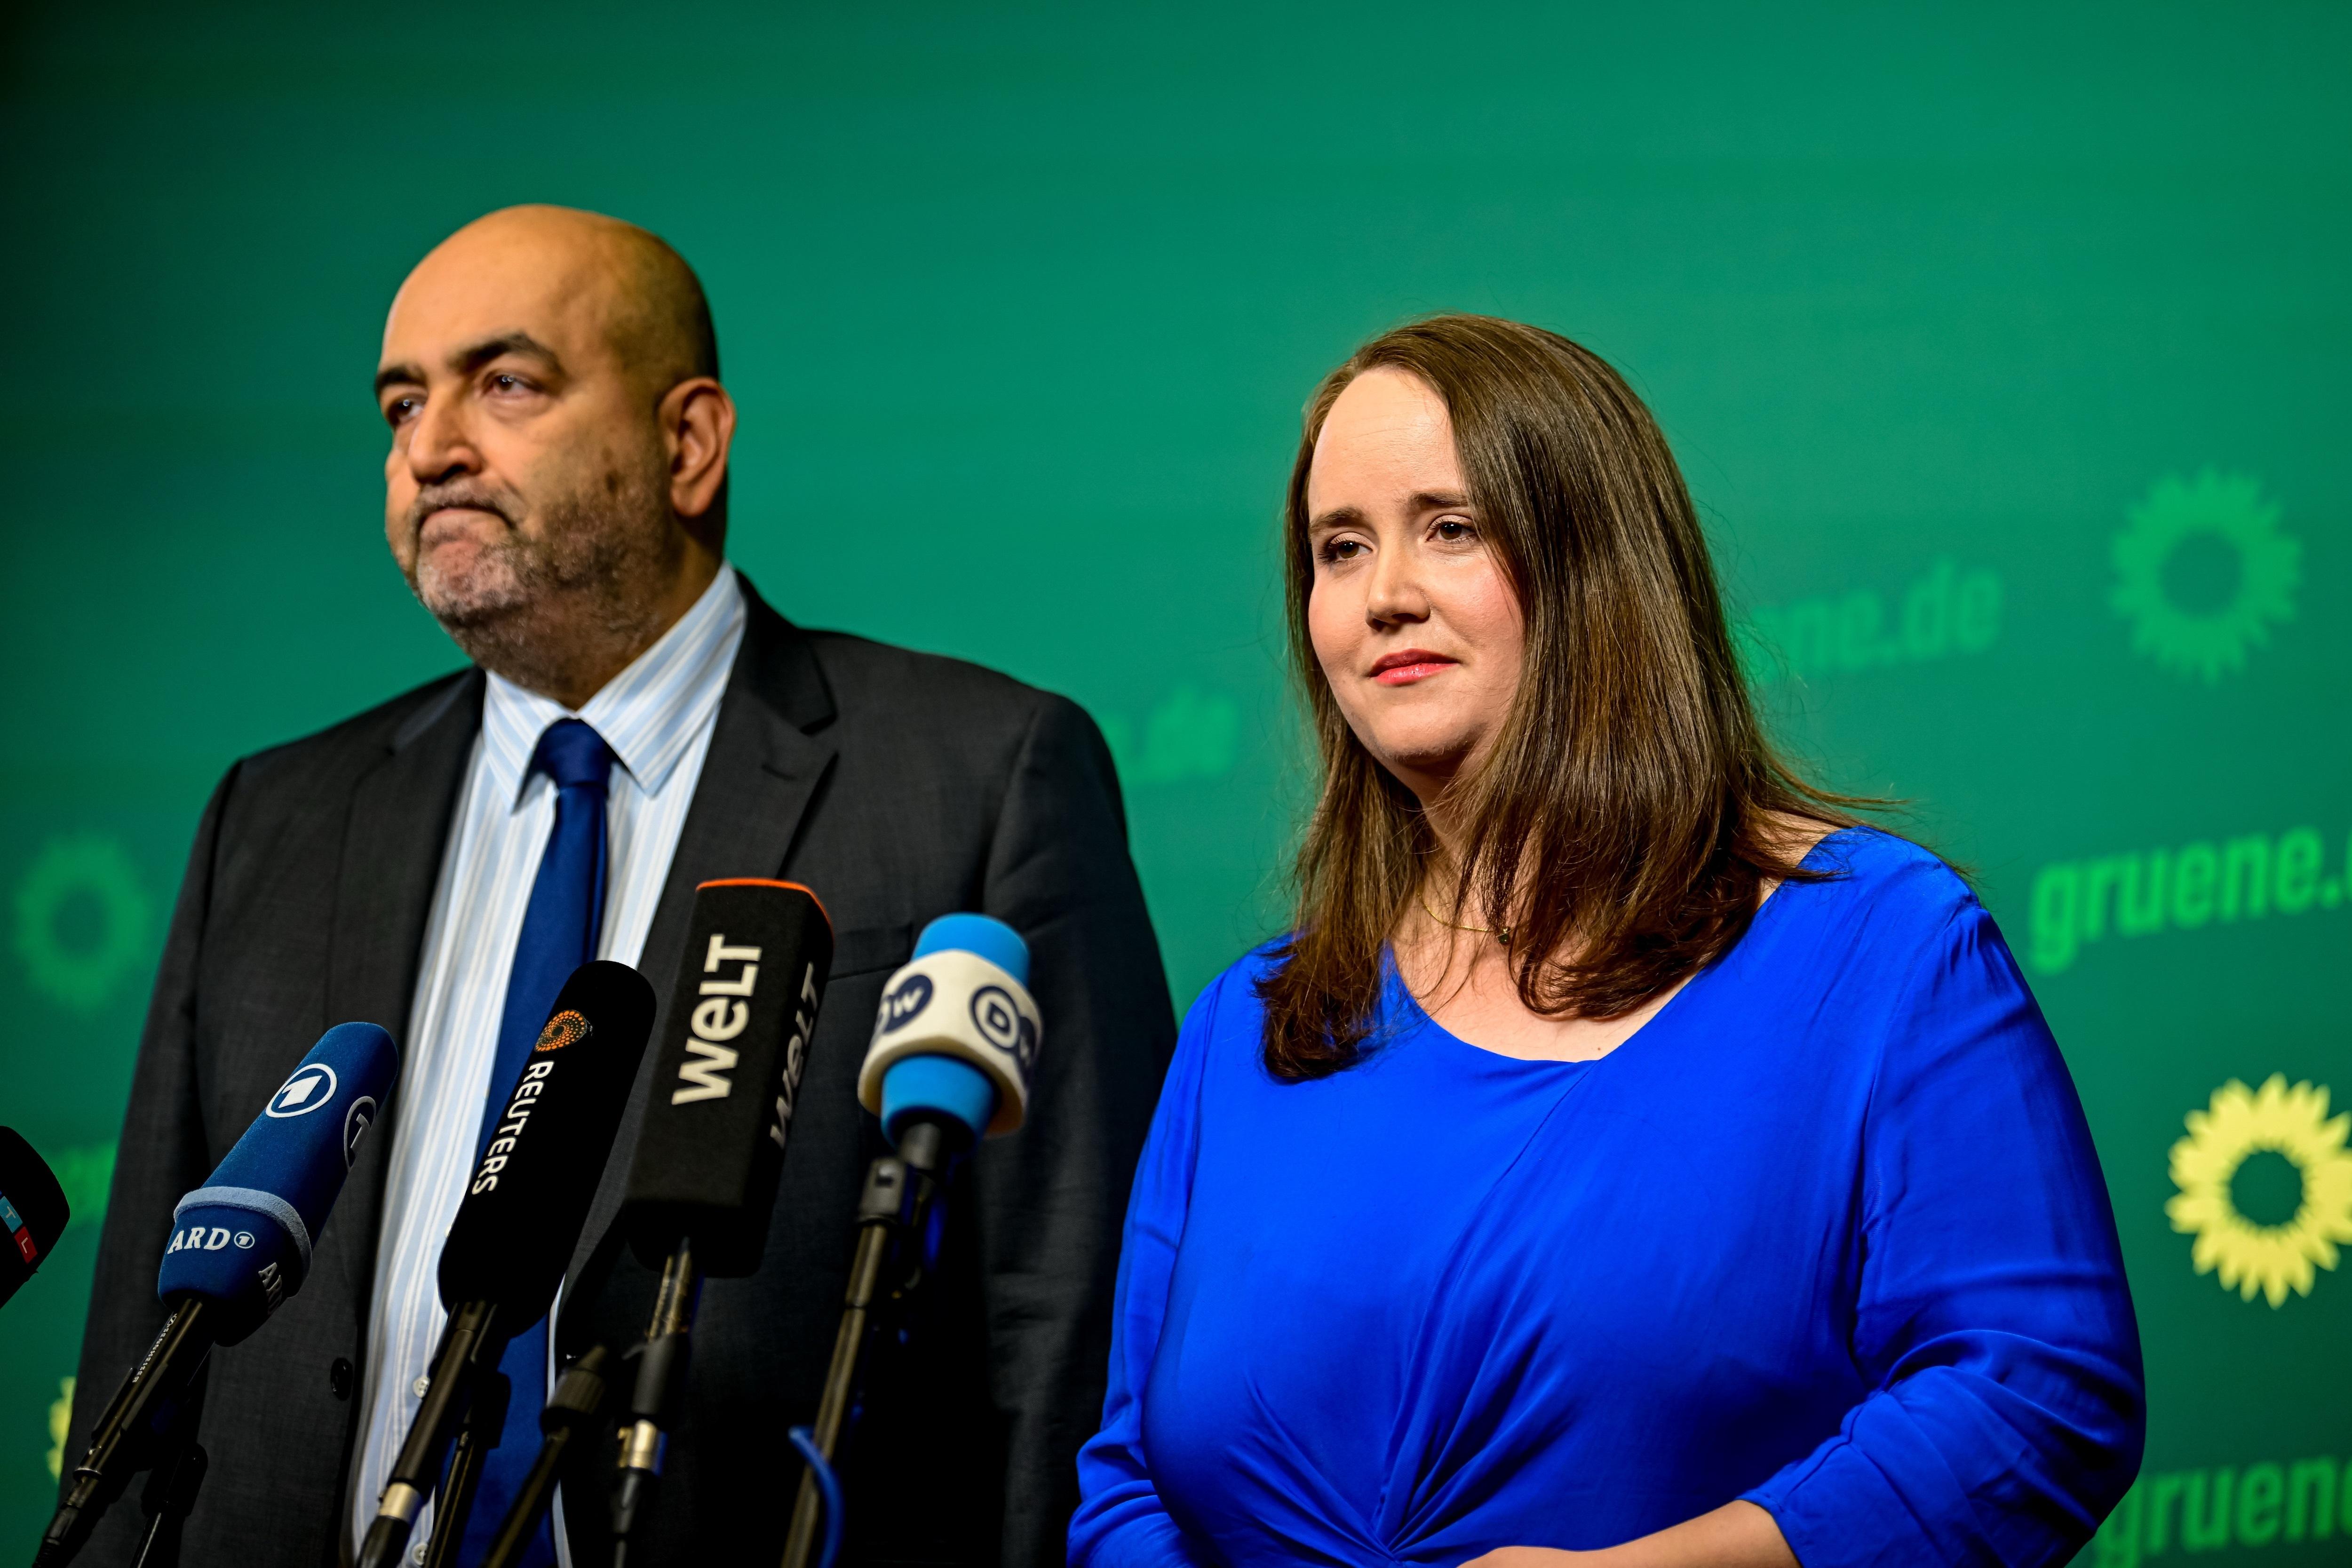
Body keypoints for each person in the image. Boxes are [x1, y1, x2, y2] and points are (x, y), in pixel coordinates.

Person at [66, 205, 1175, 1568]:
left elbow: (1063, 1328)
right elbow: (147, 1338)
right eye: (401, 404)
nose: (431, 448)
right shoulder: (275, 818)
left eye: (507, 383)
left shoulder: (979, 775)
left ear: (688, 443)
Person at [1068, 315, 2143, 1568]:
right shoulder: (1251, 1027)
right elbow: (1129, 1487)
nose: (1385, 596)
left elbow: (2034, 1394)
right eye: (1338, 548)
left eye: (1451, 529)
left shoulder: (1881, 951)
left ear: (1597, 565)